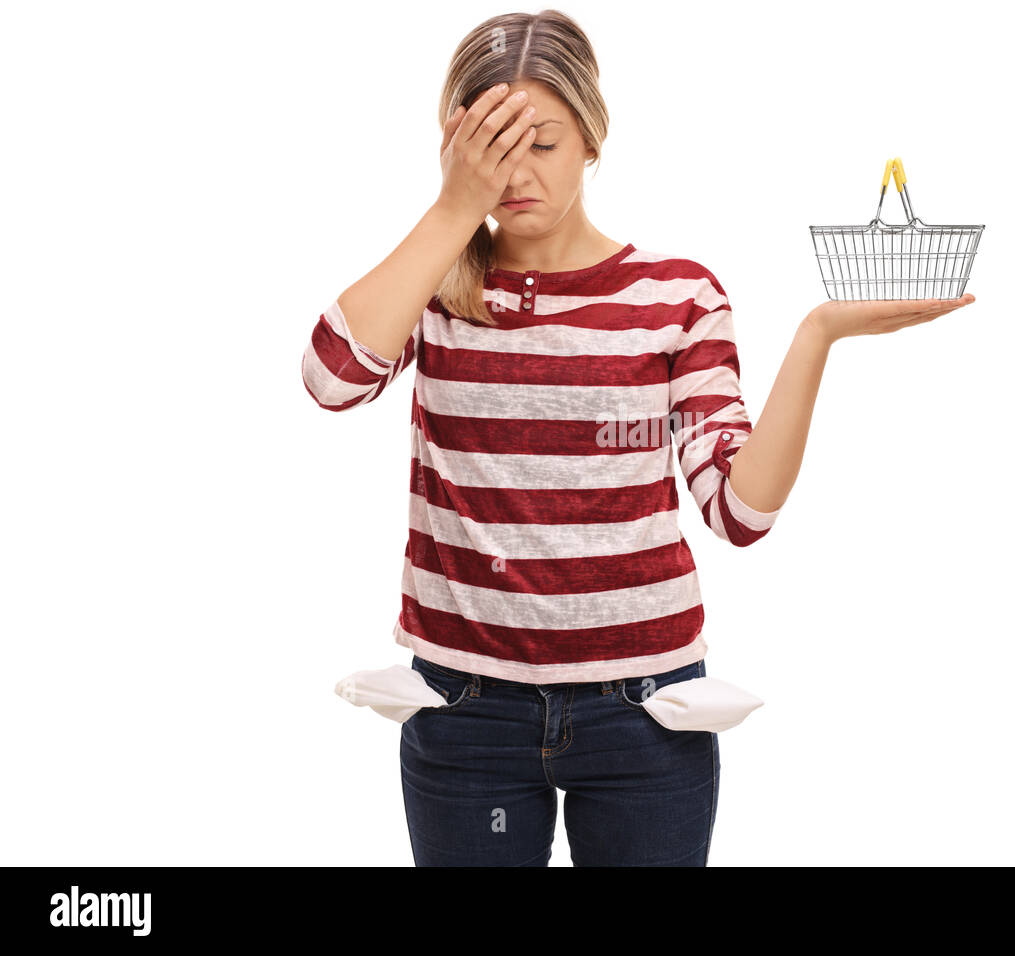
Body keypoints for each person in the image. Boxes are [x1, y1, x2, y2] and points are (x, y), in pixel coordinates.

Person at [300, 9, 974, 867]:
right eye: (491, 148)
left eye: (541, 143)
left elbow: (739, 514)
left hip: (642, 713)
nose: (516, 174)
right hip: (466, 709)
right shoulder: (431, 290)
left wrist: (817, 335)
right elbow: (331, 379)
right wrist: (450, 211)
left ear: (593, 138)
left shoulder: (677, 297)